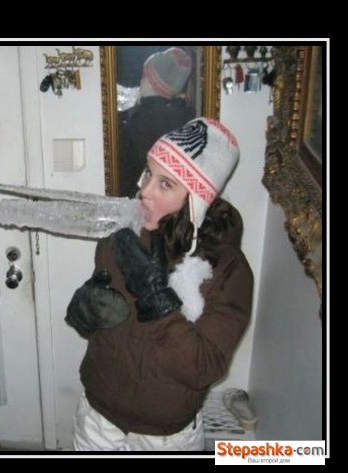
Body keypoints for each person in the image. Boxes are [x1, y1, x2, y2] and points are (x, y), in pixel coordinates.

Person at [66, 117, 253, 451]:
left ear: (197, 199)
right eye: (148, 173)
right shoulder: (122, 235)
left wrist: (156, 299)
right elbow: (104, 325)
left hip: (166, 436)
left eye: (166, 184)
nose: (144, 191)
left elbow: (203, 368)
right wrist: (85, 312)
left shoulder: (228, 271)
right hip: (97, 418)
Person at [118, 47, 196, 199]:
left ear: (154, 84)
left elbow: (130, 174)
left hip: (143, 200)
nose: (141, 82)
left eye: (145, 77)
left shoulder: (143, 120)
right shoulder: (184, 116)